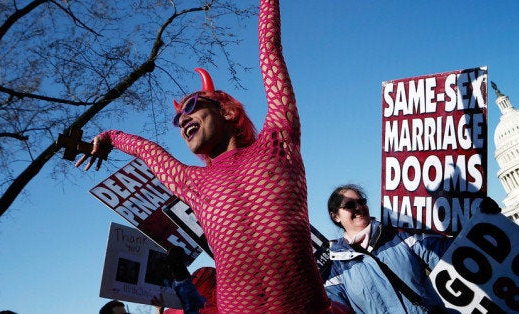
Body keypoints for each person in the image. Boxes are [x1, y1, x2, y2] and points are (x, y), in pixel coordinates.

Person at [76, 0, 338, 312]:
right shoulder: (192, 182)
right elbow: (147, 150)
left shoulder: (277, 143)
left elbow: (270, 52)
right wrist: (110, 137)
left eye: (192, 107)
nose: (182, 120)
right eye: (177, 120)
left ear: (227, 110)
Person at [323, 184, 500, 313]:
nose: (359, 207)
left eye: (361, 201)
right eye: (349, 205)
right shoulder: (334, 268)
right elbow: (333, 309)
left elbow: (449, 254)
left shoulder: (399, 232)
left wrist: (477, 220)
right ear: (335, 216)